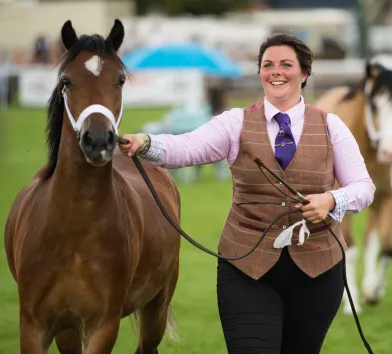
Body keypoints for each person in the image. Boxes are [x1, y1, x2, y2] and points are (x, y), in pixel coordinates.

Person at [119, 34, 375, 353]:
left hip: (318, 268)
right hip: (246, 267)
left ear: (305, 73)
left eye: (286, 64)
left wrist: (333, 200)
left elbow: (364, 188)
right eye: (267, 65)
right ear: (260, 73)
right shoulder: (235, 123)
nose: (275, 71)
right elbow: (187, 147)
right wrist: (145, 143)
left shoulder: (331, 126)